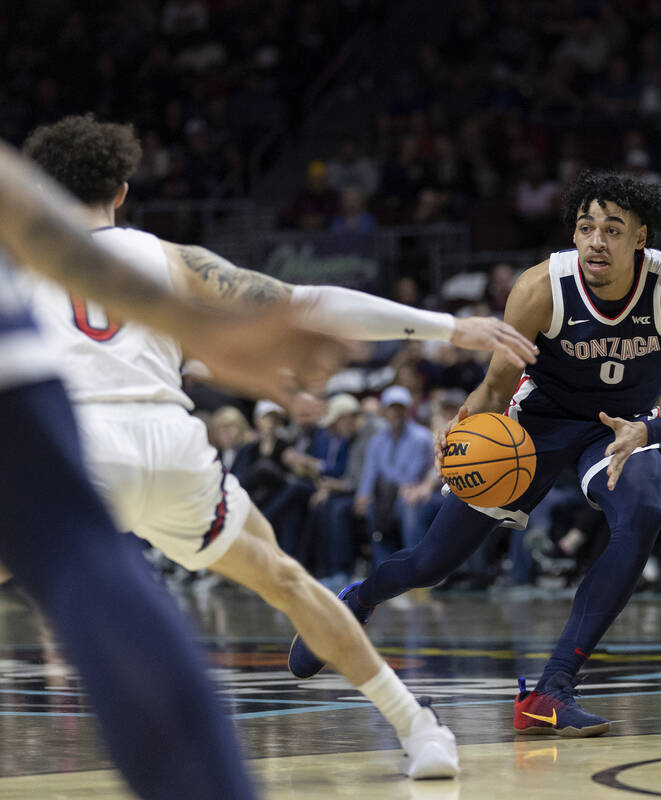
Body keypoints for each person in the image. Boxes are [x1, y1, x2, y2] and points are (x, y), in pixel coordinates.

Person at [23, 114, 536, 776]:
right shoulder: (175, 260)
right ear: (122, 191)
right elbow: (308, 301)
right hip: (174, 447)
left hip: (83, 450)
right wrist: (450, 328)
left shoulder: (20, 264)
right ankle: (419, 730)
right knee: (288, 580)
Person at [289, 171, 661, 737]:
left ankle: (551, 691)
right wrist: (464, 431)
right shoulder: (541, 287)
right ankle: (354, 600)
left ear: (641, 237)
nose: (596, 240)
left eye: (613, 229)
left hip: (618, 428)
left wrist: (649, 433)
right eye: (585, 226)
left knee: (644, 512)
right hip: (532, 428)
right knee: (432, 563)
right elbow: (497, 388)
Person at [0, 138, 350, 799]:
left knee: (84, 558)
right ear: (121, 193)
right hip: (109, 424)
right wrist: (200, 326)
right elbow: (27, 217)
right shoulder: (142, 248)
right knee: (88, 561)